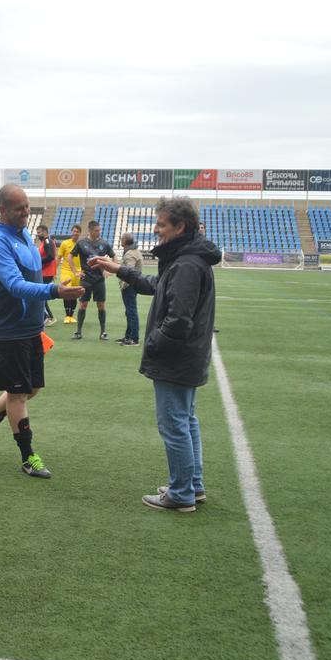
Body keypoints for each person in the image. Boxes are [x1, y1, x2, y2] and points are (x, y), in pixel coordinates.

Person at [88, 197, 221, 512]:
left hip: (176, 359)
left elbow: (178, 320)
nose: (156, 229)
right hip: (186, 358)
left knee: (174, 423)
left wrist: (153, 343)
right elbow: (155, 285)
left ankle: (181, 494)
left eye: (161, 224)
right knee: (186, 421)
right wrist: (117, 268)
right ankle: (192, 485)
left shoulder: (187, 263)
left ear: (180, 227)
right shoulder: (185, 257)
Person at [0, 186, 84, 478]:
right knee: (18, 393)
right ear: (2, 210)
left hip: (30, 328)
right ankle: (28, 457)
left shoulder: (25, 235)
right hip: (7, 330)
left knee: (31, 389)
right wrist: (56, 290)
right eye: (19, 208)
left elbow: (34, 272)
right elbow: (16, 285)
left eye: (27, 206)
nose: (26, 212)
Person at [70, 220, 115, 341]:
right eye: (96, 230)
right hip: (85, 279)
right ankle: (78, 332)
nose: (99, 232)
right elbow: (70, 256)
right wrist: (75, 271)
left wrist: (110, 270)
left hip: (99, 279)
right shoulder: (81, 243)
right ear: (90, 230)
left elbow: (114, 257)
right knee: (83, 304)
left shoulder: (104, 244)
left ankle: (103, 332)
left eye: (99, 230)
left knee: (101, 305)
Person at [117, 232, 144, 346]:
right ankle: (128, 336)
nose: (120, 240)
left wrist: (123, 285)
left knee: (131, 312)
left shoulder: (129, 254)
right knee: (129, 312)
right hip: (134, 285)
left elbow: (129, 272)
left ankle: (134, 338)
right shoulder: (135, 251)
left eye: (122, 239)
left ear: (125, 241)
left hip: (129, 286)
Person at [56, 224, 82, 324]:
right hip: (66, 271)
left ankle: (71, 316)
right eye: (74, 231)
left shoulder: (82, 245)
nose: (75, 233)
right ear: (72, 232)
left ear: (80, 233)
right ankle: (67, 315)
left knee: (75, 293)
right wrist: (54, 270)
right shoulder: (65, 243)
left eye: (77, 231)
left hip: (78, 272)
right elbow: (59, 257)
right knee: (66, 292)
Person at [36, 225, 58, 326]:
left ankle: (49, 317)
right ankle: (46, 317)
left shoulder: (47, 241)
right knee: (41, 295)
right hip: (44, 272)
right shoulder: (43, 242)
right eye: (37, 232)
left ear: (45, 232)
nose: (38, 234)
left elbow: (51, 256)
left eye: (39, 232)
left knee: (41, 295)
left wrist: (38, 261)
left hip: (47, 273)